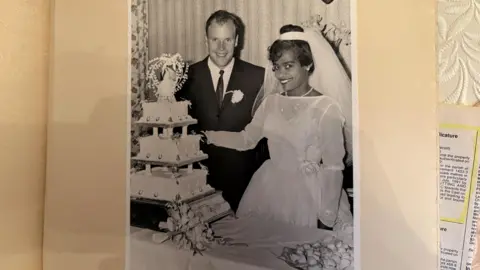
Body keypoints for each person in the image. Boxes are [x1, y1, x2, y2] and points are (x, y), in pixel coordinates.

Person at [202, 24, 353, 230]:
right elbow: (246, 139)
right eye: (276, 66)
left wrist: (327, 217)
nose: (280, 74)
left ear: (307, 65)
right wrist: (207, 136)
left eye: (288, 66)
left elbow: (334, 167)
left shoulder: (326, 108)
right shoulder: (270, 102)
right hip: (268, 189)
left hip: (310, 196)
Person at [176, 10, 269, 212]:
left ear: (236, 40)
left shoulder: (259, 77)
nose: (221, 47)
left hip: (243, 184)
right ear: (206, 40)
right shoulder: (183, 78)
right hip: (196, 184)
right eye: (215, 39)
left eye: (227, 39)